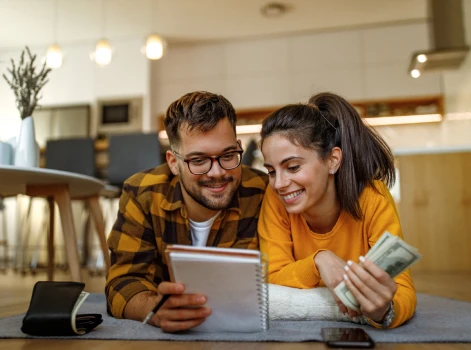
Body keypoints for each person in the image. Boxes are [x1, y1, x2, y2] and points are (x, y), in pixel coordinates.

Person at [105, 91, 268, 333]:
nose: (217, 172)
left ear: (238, 148)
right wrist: (155, 309)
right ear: (173, 162)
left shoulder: (263, 192)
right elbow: (123, 281)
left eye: (227, 155)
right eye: (199, 160)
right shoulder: (142, 194)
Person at [258, 92, 416, 328]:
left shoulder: (373, 198)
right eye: (271, 171)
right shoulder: (275, 198)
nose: (279, 183)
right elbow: (271, 277)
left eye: (292, 167)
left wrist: (384, 310)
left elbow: (402, 288)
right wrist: (319, 261)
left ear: (333, 160)